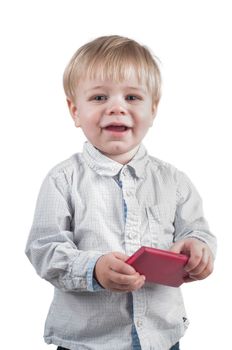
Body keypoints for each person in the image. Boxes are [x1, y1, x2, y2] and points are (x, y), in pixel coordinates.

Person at [25, 35, 217, 350]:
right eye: (100, 98)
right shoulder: (62, 180)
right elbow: (43, 249)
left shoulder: (174, 181)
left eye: (132, 97)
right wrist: (94, 269)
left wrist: (198, 249)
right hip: (87, 342)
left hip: (161, 338)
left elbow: (198, 232)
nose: (117, 108)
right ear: (75, 110)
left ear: (153, 110)